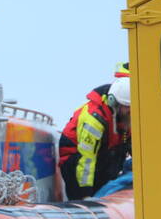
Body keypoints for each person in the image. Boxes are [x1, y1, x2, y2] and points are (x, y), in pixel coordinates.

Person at [57, 64, 132, 200]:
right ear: (114, 102)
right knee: (83, 185)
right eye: (127, 108)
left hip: (105, 155)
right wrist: (84, 195)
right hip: (76, 160)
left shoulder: (125, 117)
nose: (130, 111)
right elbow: (86, 159)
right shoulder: (94, 119)